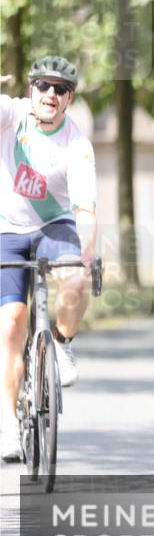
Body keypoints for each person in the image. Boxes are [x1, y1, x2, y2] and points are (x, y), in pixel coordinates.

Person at [1, 56, 97, 462]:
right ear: (30, 89)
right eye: (43, 85)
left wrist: (87, 256)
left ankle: (61, 343)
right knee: (10, 325)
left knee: (75, 281)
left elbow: (85, 210)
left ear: (69, 98)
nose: (50, 95)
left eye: (60, 89)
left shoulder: (76, 144)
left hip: (53, 226)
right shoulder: (11, 115)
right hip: (6, 228)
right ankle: (7, 425)